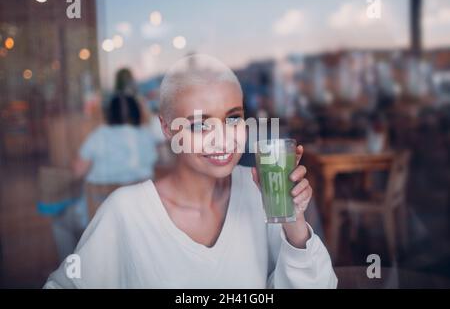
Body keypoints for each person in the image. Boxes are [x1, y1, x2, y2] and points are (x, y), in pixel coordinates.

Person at [44, 54, 337, 289]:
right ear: (167, 129)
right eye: (199, 124)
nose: (222, 138)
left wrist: (293, 221)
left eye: (233, 118)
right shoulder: (126, 211)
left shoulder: (260, 195)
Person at [73, 94, 158, 184]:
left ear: (109, 113)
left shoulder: (99, 134)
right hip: (139, 194)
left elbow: (78, 171)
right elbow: (154, 162)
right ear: (137, 112)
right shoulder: (147, 134)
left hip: (101, 195)